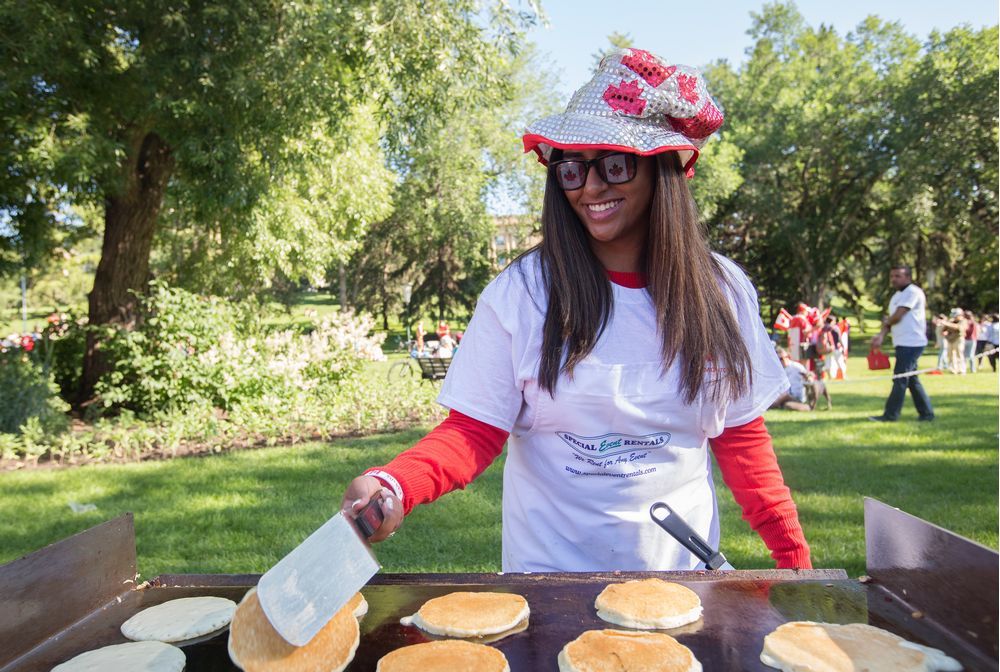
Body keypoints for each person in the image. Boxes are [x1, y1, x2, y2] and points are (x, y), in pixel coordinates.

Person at [340, 48, 811, 572]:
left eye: (614, 164)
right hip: (548, 586)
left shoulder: (721, 291)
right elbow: (473, 432)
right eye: (571, 170)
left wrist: (797, 567)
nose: (590, 187)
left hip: (681, 586)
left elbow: (744, 443)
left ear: (661, 170)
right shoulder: (521, 294)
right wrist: (394, 484)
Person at [868, 265, 934, 422]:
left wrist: (887, 323)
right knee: (911, 379)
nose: (894, 279)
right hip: (902, 342)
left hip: (912, 342)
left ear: (908, 277)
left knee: (900, 379)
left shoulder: (912, 292)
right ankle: (926, 414)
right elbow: (890, 320)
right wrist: (881, 336)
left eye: (898, 276)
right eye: (892, 276)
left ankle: (890, 415)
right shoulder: (897, 296)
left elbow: (897, 316)